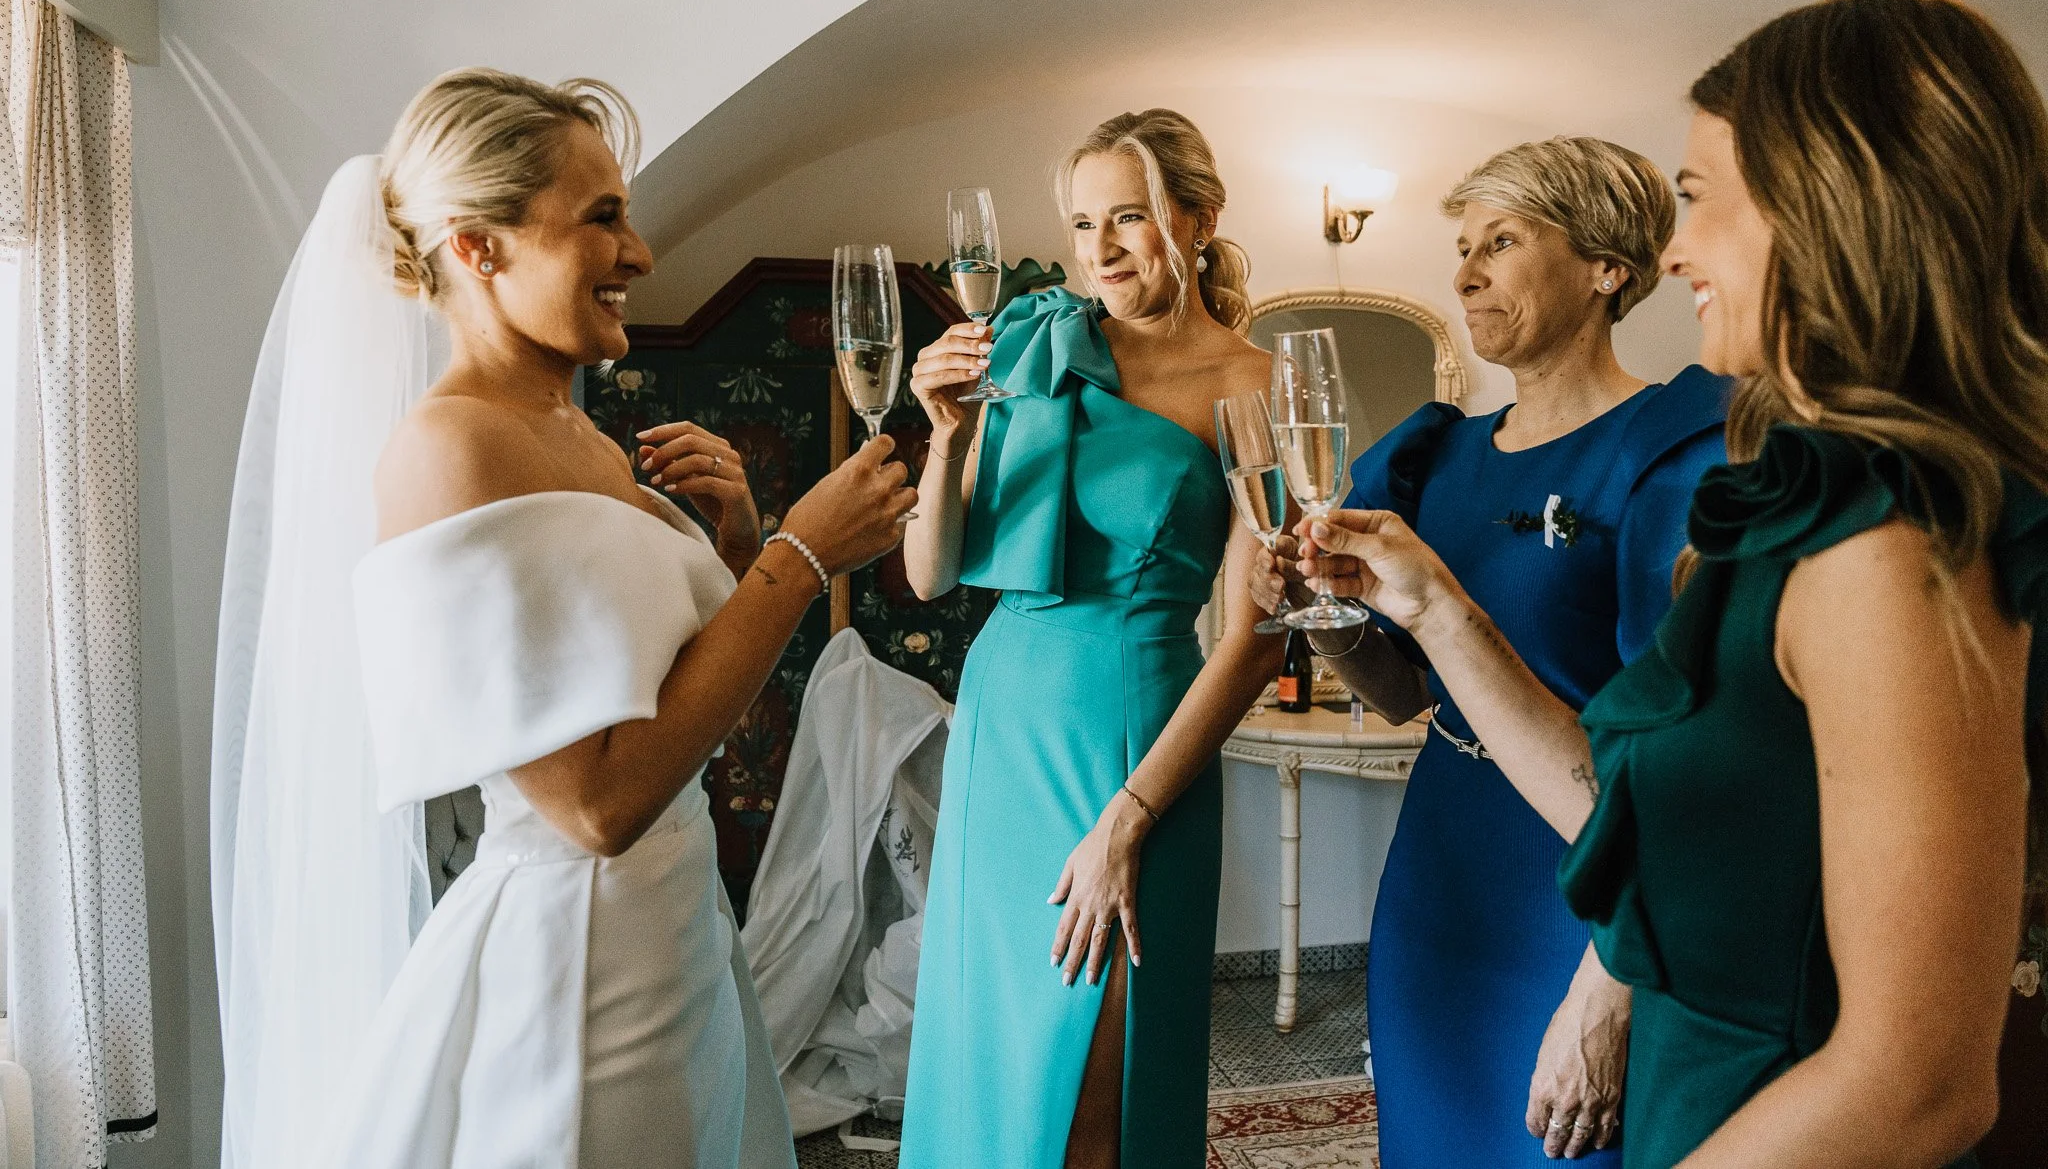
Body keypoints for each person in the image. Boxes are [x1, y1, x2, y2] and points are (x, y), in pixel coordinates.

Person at [1293, 0, 2048, 1168]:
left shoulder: (1890, 539)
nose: (1675, 250)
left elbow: (1915, 1084)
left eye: (1696, 200)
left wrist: (1600, 994)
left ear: (1825, 202)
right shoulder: (1802, 507)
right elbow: (1637, 816)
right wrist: (1428, 608)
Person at [224, 68, 919, 1169]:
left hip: (675, 929)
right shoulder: (449, 450)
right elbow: (594, 805)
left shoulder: (586, 439)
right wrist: (796, 561)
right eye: (601, 218)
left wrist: (741, 547)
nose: (637, 254)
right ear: (479, 247)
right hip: (581, 976)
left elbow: (675, 729)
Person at [1254, 138, 1729, 1165]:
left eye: (1501, 242)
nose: (1466, 272)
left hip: (1585, 892)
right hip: (1440, 874)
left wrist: (1610, 985)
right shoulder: (1438, 455)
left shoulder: (1670, 452)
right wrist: (1318, 611)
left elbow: (1689, 770)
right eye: (1462, 248)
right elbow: (1399, 692)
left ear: (1606, 266)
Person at [897, 110, 1285, 1168]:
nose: (1100, 250)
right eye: (1081, 224)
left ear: (1199, 220)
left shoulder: (1253, 385)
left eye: (1129, 217)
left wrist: (1128, 817)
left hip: (1130, 745)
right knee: (993, 1061)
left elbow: (1257, 640)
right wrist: (946, 435)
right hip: (999, 731)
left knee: (1093, 1093)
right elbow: (930, 574)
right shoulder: (1036, 343)